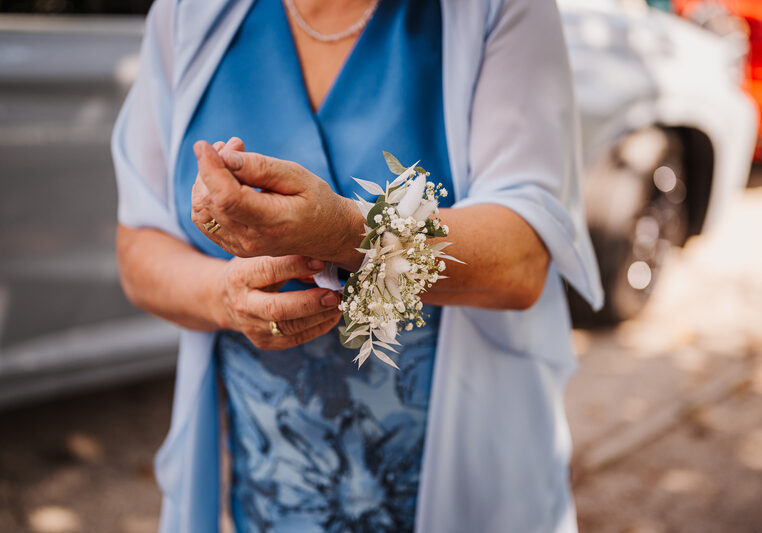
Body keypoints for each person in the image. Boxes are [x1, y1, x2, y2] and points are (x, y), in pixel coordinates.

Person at [112, 0, 603, 531]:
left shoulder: (498, 10)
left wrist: (351, 234)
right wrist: (225, 296)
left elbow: (522, 257)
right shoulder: (186, 13)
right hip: (272, 492)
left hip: (455, 476)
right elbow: (139, 251)